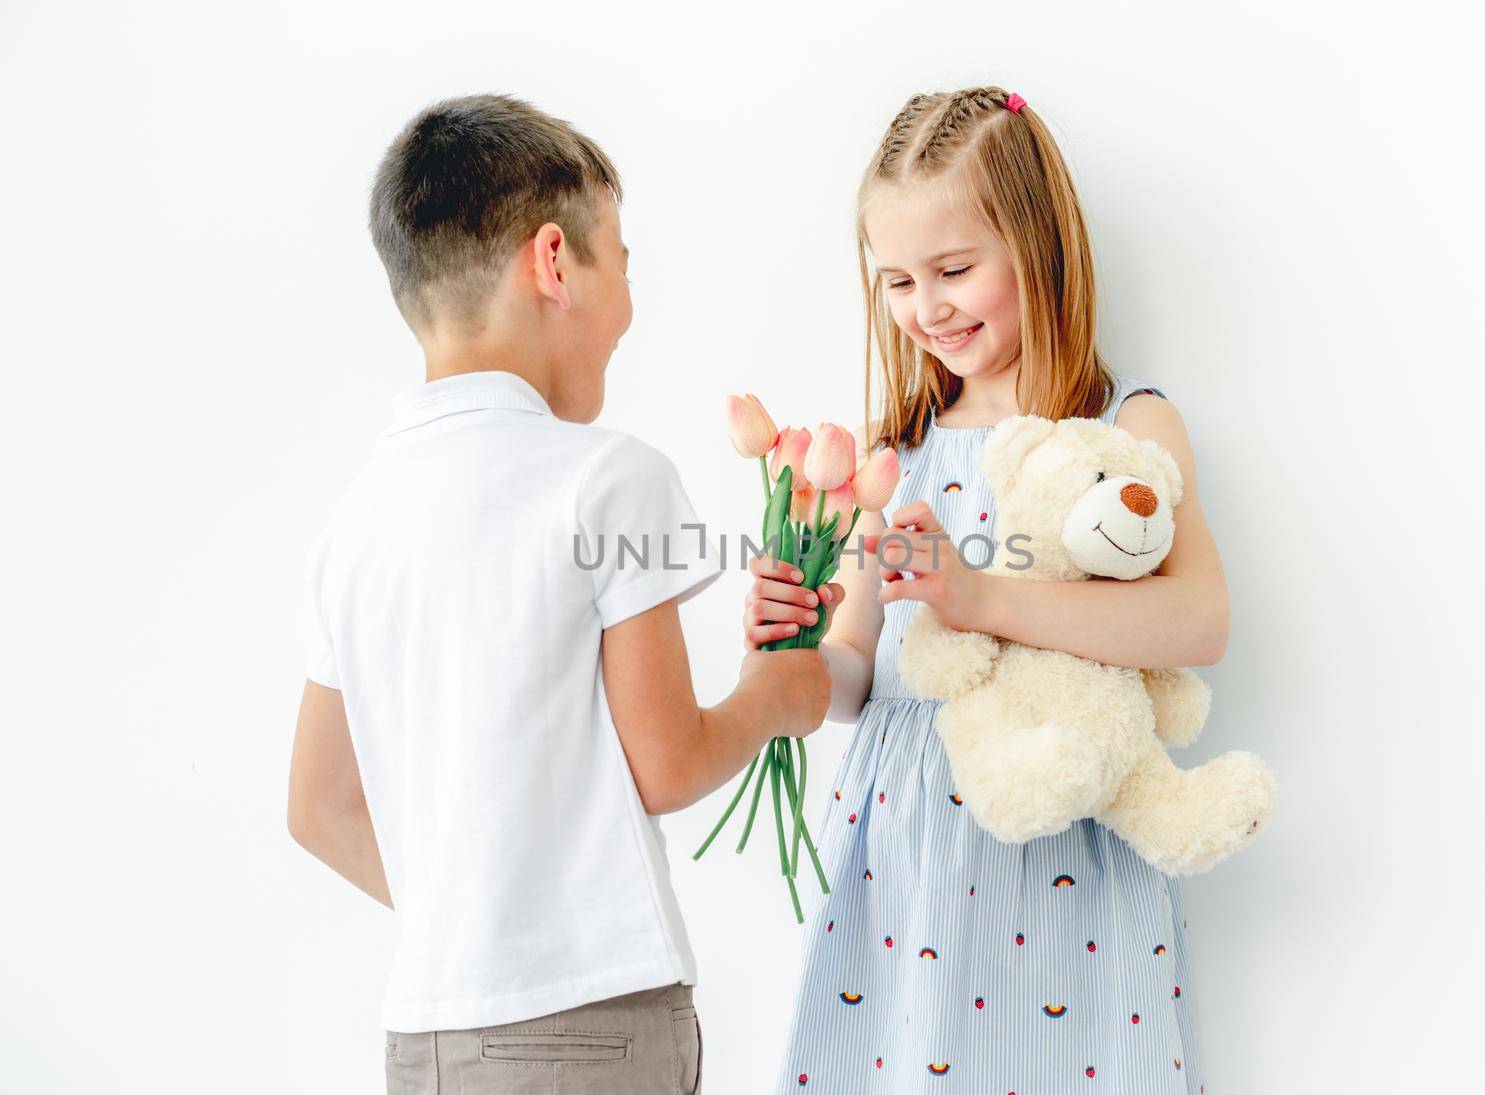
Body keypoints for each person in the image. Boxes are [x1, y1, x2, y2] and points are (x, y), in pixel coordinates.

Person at [287, 93, 831, 1095]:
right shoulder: (606, 478)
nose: (628, 301)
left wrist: (477, 920)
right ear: (553, 262)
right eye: (620, 259)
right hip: (591, 1028)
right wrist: (779, 696)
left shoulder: (355, 521)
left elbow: (319, 807)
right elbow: (665, 764)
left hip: (426, 1036)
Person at [745, 86, 1227, 1092]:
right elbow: (855, 676)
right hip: (908, 851)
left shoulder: (1121, 430)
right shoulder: (897, 455)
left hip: (1070, 848)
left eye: (955, 269)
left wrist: (983, 600)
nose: (927, 308)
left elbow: (1197, 621)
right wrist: (788, 649)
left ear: (1036, 245)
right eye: (897, 282)